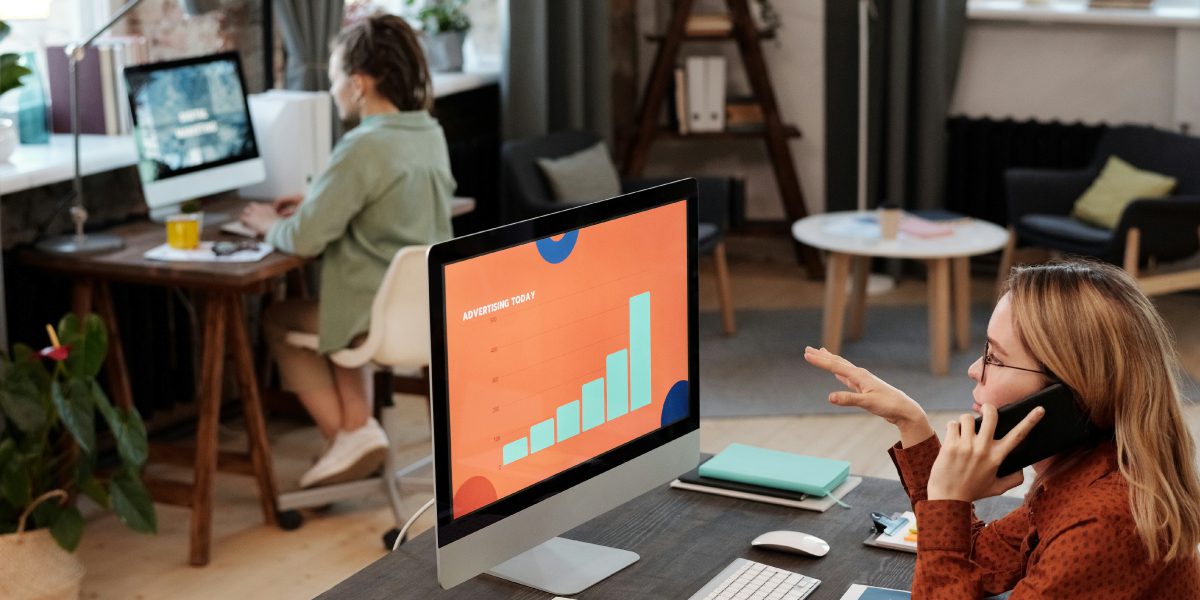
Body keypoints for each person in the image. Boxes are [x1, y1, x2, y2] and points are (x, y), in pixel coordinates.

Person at [805, 259, 1200, 598]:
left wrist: (947, 500)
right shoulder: (1082, 473)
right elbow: (977, 559)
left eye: (995, 357)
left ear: (1067, 392)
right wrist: (913, 424)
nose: (974, 369)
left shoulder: (1101, 522)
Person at [240, 14, 454, 489]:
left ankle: (350, 435)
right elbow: (383, 200)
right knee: (342, 302)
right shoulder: (428, 133)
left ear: (358, 84)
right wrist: (317, 197)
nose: (333, 87)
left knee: (279, 317)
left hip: (371, 319)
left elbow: (305, 239)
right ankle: (356, 433)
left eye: (336, 77)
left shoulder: (361, 146)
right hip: (429, 313)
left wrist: (270, 224)